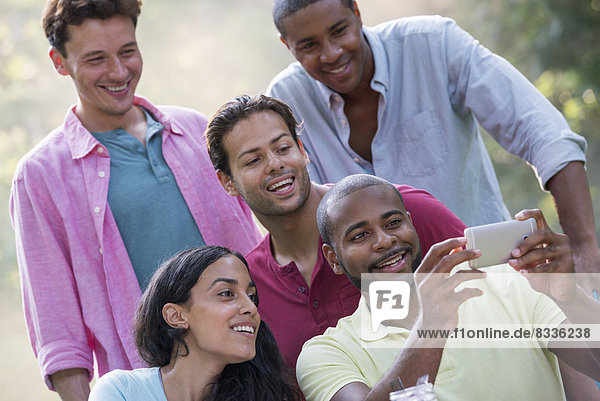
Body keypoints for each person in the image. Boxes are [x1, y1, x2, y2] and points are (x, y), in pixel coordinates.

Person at [9, 1, 261, 399]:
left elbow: (264, 251)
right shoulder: (40, 175)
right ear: (59, 61)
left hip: (255, 370)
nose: (118, 71)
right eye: (96, 59)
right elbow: (58, 332)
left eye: (127, 51)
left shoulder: (196, 130)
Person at [267, 0, 600, 279]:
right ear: (286, 45)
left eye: (339, 31)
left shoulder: (433, 43)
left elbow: (545, 135)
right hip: (383, 305)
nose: (331, 53)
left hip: (490, 275)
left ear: (356, 11)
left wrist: (585, 251)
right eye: (309, 46)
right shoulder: (285, 99)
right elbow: (299, 217)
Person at [205, 94, 467, 370]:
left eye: (282, 148)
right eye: (253, 160)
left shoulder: (401, 215)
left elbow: (496, 280)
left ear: (302, 150)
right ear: (228, 182)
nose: (275, 164)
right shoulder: (249, 287)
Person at [294, 174, 600, 401]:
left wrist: (570, 295)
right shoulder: (326, 354)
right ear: (333, 259)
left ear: (411, 225)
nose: (385, 240)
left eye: (393, 224)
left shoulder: (511, 284)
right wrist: (431, 327)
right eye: (359, 236)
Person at [89, 246, 301, 401]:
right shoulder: (121, 392)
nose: (251, 308)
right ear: (176, 316)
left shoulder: (266, 395)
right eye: (227, 293)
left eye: (251, 296)